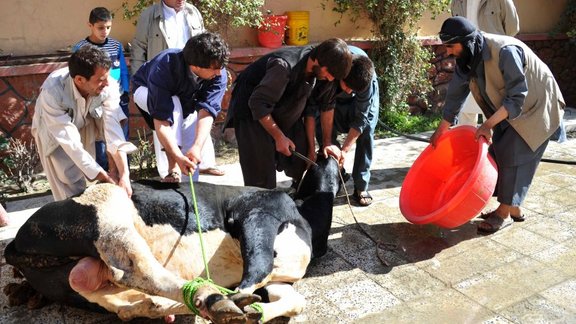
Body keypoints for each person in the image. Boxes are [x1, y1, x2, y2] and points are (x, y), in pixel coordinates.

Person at [430, 17, 565, 233]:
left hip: (538, 104)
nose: (447, 52)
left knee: (513, 155)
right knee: (499, 152)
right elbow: (455, 95)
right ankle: (514, 208)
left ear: (466, 42)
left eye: (450, 46)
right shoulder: (468, 57)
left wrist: (487, 125)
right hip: (512, 107)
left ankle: (502, 213)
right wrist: (441, 130)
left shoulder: (505, 51)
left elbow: (517, 97)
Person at [224, 38, 352, 189]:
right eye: (329, 73)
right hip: (251, 115)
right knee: (261, 180)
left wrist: (326, 143)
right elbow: (258, 104)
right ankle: (262, 207)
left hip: (280, 109)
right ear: (318, 60)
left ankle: (298, 194)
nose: (330, 79)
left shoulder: (318, 66)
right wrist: (279, 137)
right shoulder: (283, 66)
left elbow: (327, 104)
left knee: (302, 157)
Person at [131, 0, 224, 177]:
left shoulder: (216, 69)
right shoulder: (149, 16)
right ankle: (171, 170)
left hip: (186, 88)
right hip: (150, 85)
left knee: (189, 129)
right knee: (172, 108)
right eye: (215, 69)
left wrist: (195, 149)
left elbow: (207, 111)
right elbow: (161, 119)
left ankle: (191, 178)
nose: (218, 73)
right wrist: (176, 157)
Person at [31, 46, 136, 201]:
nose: (107, 83)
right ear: (79, 80)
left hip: (85, 120)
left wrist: (123, 175)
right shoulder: (52, 92)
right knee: (68, 184)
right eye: (101, 80)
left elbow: (113, 130)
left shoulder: (108, 84)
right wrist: (103, 177)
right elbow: (70, 143)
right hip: (54, 130)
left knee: (96, 167)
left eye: (107, 77)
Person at [305, 46, 379, 206]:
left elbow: (361, 118)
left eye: (354, 89)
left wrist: (345, 150)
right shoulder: (332, 69)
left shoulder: (366, 81)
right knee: (322, 123)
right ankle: (336, 172)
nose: (350, 91)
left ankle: (361, 186)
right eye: (347, 86)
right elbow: (313, 109)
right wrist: (321, 146)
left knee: (366, 131)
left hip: (360, 104)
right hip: (334, 95)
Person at [73, 7, 131, 171]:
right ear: (90, 25)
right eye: (100, 27)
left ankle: (123, 172)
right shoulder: (80, 48)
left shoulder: (116, 45)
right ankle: (103, 172)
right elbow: (77, 76)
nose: (104, 31)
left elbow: (123, 71)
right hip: (94, 101)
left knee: (120, 135)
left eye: (108, 27)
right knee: (99, 138)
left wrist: (125, 92)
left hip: (117, 99)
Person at [450, 0, 520, 126]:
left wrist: (495, 47)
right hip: (468, 64)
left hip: (492, 63)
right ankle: (468, 144)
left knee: (492, 110)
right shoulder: (456, 2)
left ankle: (494, 144)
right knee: (465, 112)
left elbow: (512, 28)